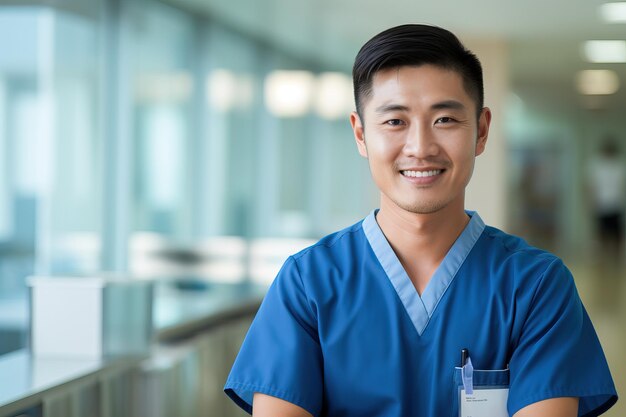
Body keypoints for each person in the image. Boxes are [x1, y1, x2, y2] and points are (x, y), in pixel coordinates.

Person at [224, 24, 618, 417]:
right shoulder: (308, 283)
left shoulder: (537, 287)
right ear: (360, 134)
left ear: (481, 131)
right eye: (395, 122)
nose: (420, 147)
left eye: (445, 120)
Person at [587, 136, 625, 264]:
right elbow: (591, 185)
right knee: (601, 234)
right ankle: (602, 259)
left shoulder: (620, 164)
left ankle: (615, 258)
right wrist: (590, 202)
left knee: (616, 235)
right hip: (601, 205)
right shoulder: (596, 164)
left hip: (615, 204)